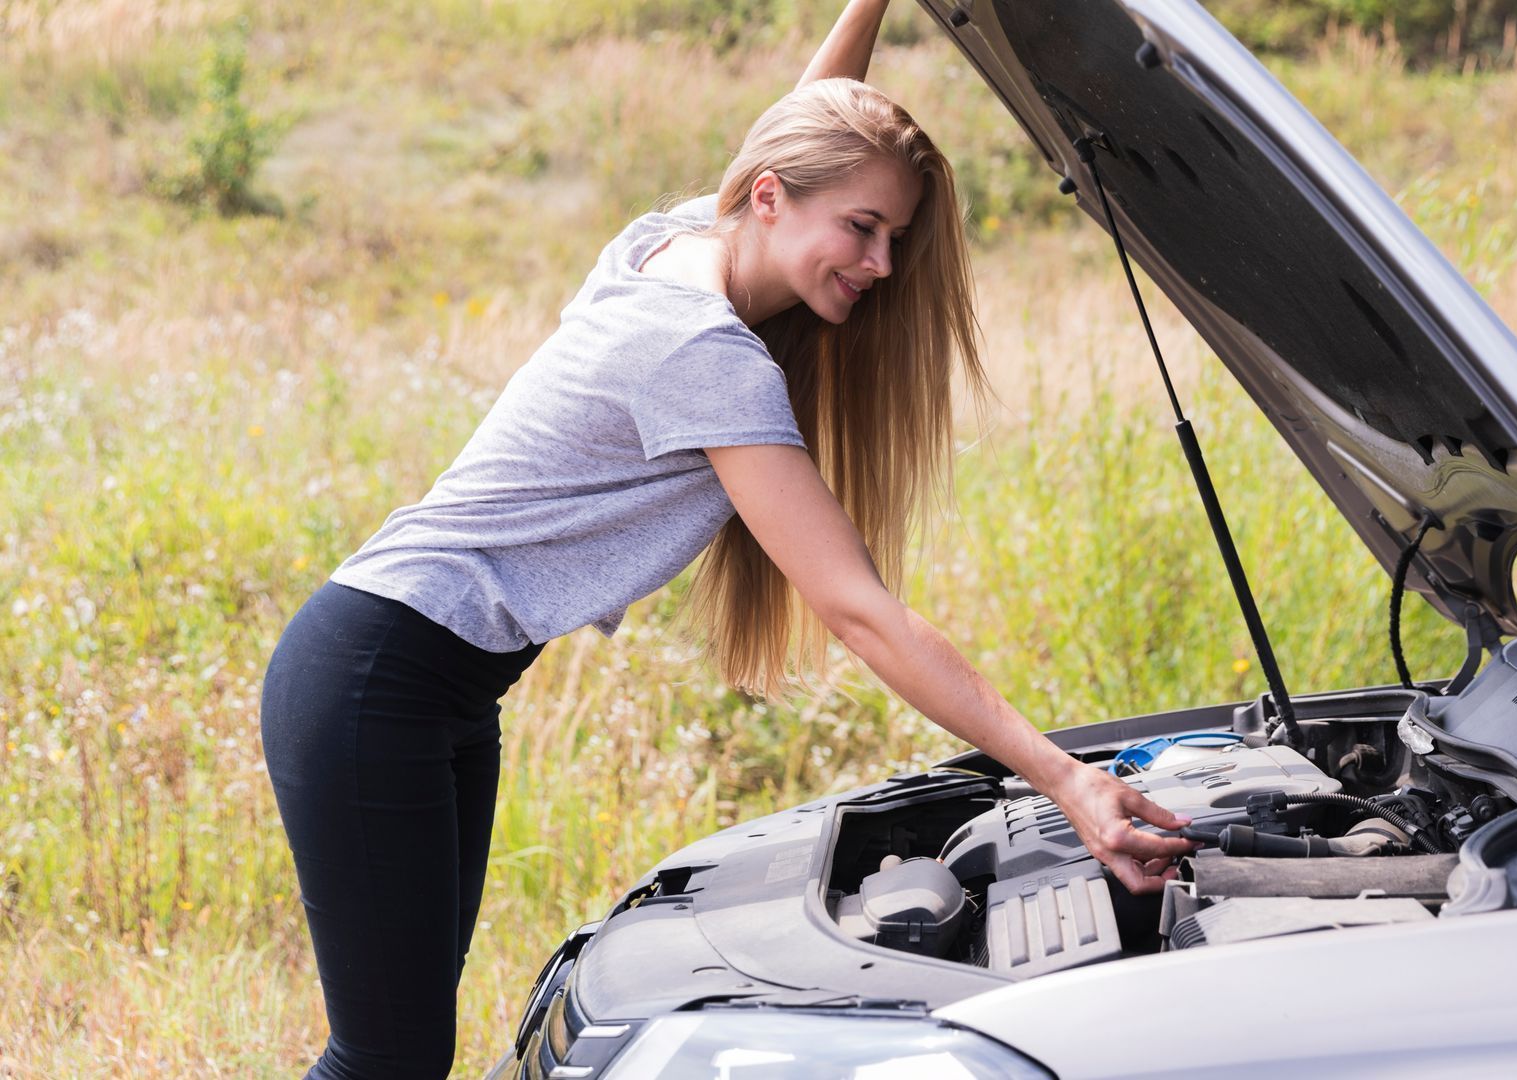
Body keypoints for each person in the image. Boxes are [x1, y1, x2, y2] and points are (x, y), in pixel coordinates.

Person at [258, 2, 1194, 1076]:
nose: (883, 262)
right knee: (386, 1058)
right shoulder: (703, 352)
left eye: (894, 234)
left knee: (404, 1049)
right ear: (769, 201)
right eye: (864, 229)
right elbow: (859, 611)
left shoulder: (678, 239)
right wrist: (1065, 781)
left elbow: (801, 136)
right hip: (379, 684)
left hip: (427, 687)